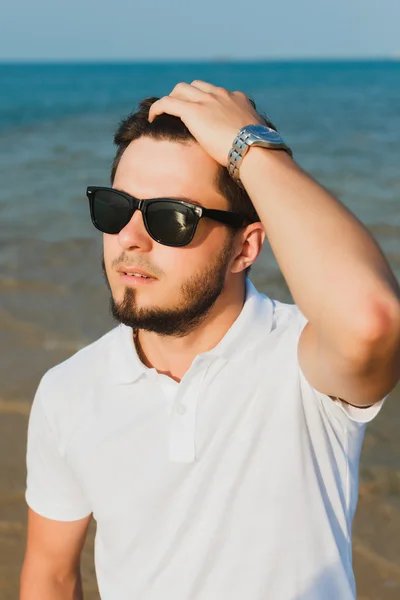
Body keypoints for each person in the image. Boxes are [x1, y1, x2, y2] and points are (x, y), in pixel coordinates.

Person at [20, 81, 400, 600]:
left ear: (246, 247)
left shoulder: (304, 363)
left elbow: (373, 320)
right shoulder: (68, 390)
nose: (131, 238)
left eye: (172, 217)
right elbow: (50, 575)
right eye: (115, 208)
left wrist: (252, 146)